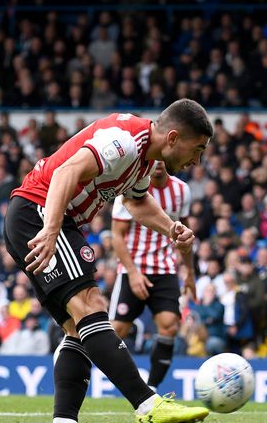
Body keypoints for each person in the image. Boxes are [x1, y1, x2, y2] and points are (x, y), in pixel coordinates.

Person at [3, 99, 213, 423]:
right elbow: (66, 171)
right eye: (197, 149)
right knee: (91, 305)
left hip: (42, 216)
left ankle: (64, 420)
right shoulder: (125, 141)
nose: (197, 160)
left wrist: (171, 227)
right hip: (40, 210)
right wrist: (51, 229)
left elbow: (137, 202)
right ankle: (148, 404)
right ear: (173, 138)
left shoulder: (144, 159)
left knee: (78, 327)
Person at [109, 161, 193, 392]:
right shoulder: (130, 187)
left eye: (163, 160)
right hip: (131, 268)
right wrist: (133, 273)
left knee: (169, 327)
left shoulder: (181, 190)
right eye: (154, 159)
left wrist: (190, 272)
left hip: (165, 268)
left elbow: (184, 234)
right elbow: (117, 236)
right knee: (115, 331)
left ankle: (152, 389)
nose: (159, 164)